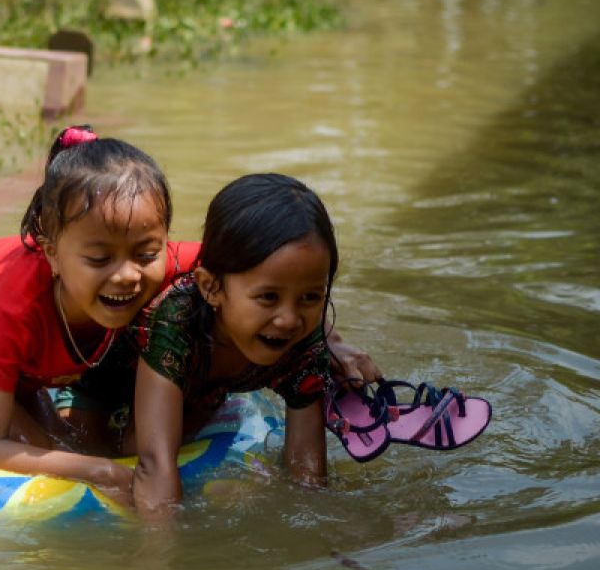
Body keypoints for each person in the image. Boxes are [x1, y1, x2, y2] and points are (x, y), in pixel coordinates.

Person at [0, 126, 199, 503]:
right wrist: (102, 470)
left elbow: (237, 261)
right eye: (99, 259)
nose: (128, 275)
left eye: (145, 255)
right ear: (51, 254)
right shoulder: (10, 307)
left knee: (61, 439)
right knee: (35, 443)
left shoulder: (153, 259)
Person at [59, 173, 381, 514]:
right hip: (104, 383)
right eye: (268, 297)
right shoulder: (176, 321)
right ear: (211, 288)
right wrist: (159, 560)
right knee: (121, 448)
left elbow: (308, 475)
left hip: (199, 390)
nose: (289, 319)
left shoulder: (304, 342)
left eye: (310, 297)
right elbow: (154, 465)